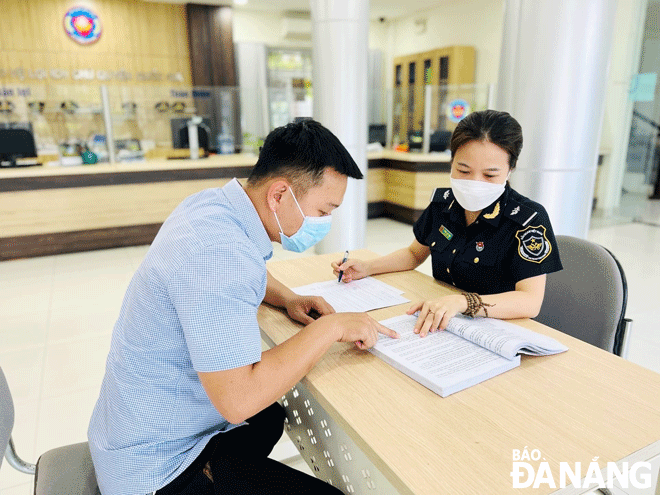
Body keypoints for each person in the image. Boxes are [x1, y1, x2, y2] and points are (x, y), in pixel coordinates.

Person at [88, 119, 398, 495]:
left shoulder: (214, 208)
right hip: (156, 469)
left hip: (135, 427)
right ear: (280, 194)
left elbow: (240, 267)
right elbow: (238, 401)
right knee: (261, 413)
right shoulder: (220, 255)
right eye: (322, 211)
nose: (325, 223)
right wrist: (331, 328)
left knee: (269, 417)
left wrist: (288, 298)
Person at [332, 110, 562, 337]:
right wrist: (368, 267)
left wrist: (463, 302)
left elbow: (530, 302)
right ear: (451, 162)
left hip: (497, 331)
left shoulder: (528, 219)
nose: (474, 182)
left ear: (510, 169)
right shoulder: (443, 204)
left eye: (490, 175)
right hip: (442, 324)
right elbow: (414, 254)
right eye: (463, 170)